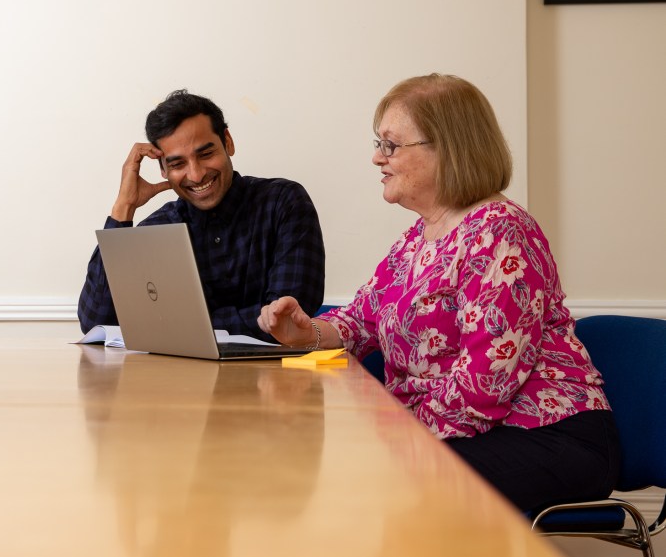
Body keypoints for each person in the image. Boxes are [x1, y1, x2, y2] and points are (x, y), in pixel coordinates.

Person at [257, 74, 620, 513]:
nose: (376, 158)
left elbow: (485, 382)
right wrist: (307, 332)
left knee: (376, 477)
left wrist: (390, 431)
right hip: (465, 430)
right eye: (378, 143)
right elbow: (361, 321)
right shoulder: (419, 236)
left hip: (550, 436)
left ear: (448, 148)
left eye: (391, 145)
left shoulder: (500, 231)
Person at [79, 89, 325, 341]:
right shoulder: (157, 228)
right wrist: (123, 208)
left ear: (228, 142)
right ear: (163, 169)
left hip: (277, 376)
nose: (196, 175)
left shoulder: (284, 202)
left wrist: (175, 326)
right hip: (182, 378)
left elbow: (286, 319)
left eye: (205, 154)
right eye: (177, 164)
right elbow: (97, 322)